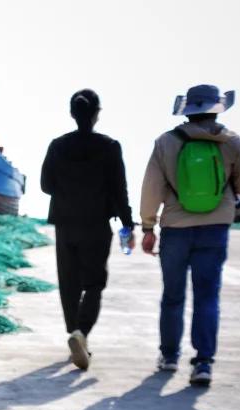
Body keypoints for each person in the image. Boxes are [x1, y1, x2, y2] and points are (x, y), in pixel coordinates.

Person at [140, 84, 240, 387]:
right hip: (215, 227)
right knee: (207, 296)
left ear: (187, 109)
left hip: (176, 229)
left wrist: (148, 227)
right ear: (217, 108)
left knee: (173, 296)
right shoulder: (230, 141)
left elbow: (152, 188)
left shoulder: (166, 142)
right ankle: (203, 363)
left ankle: (169, 356)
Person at [40, 89, 135, 370]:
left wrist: (68, 192)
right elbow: (120, 189)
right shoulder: (109, 146)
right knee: (93, 284)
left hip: (65, 224)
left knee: (69, 285)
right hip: (96, 224)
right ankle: (82, 333)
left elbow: (46, 185)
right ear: (96, 114)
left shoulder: (58, 146)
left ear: (72, 113)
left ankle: (74, 334)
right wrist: (128, 223)